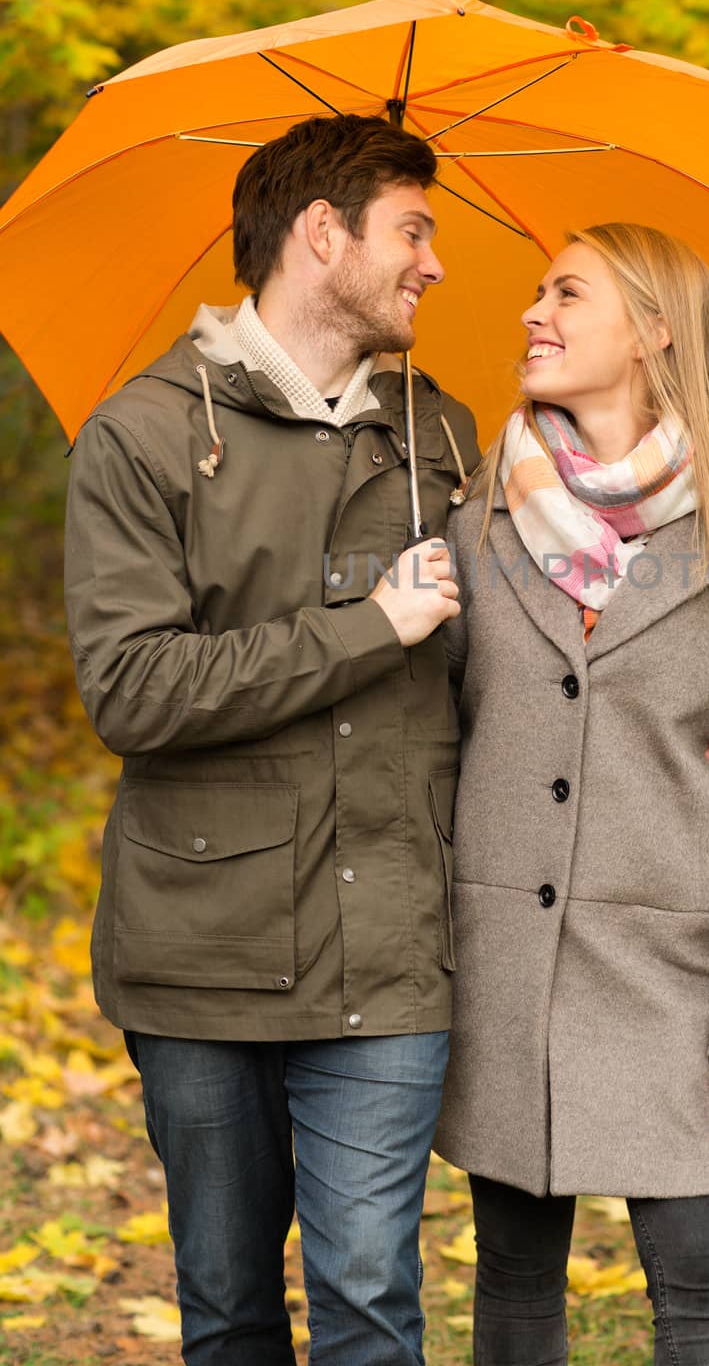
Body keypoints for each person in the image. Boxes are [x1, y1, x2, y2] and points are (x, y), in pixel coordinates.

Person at [64, 113, 480, 1366]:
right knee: (232, 1312)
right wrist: (369, 628)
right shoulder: (139, 435)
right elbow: (132, 688)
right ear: (321, 234)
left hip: (392, 941)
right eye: (412, 230)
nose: (435, 264)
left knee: (370, 1304)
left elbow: (516, 667)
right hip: (202, 952)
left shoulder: (444, 433)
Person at [434, 223, 709, 1366]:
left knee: (699, 1287)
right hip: (506, 965)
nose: (530, 313)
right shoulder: (474, 524)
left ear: (654, 331)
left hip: (676, 978)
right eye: (533, 291)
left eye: (566, 293)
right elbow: (434, 738)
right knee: (509, 1281)